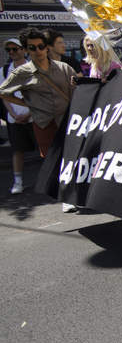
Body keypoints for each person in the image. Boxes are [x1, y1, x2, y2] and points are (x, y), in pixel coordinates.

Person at [0, 28, 76, 209]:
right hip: (44, 123)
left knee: (71, 157)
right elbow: (3, 92)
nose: (38, 51)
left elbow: (77, 91)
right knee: (56, 160)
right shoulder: (22, 73)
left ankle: (74, 192)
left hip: (67, 120)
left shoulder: (63, 68)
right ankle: (65, 197)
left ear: (46, 48)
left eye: (41, 46)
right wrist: (28, 104)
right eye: (32, 48)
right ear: (26, 50)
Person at [2, 37, 32, 194]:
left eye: (15, 49)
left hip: (34, 117)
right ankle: (18, 182)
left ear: (23, 50)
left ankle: (50, 181)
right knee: (18, 150)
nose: (12, 52)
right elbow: (3, 95)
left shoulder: (33, 67)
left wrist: (28, 113)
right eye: (9, 50)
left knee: (46, 150)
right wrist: (13, 114)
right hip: (15, 119)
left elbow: (41, 94)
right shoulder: (4, 70)